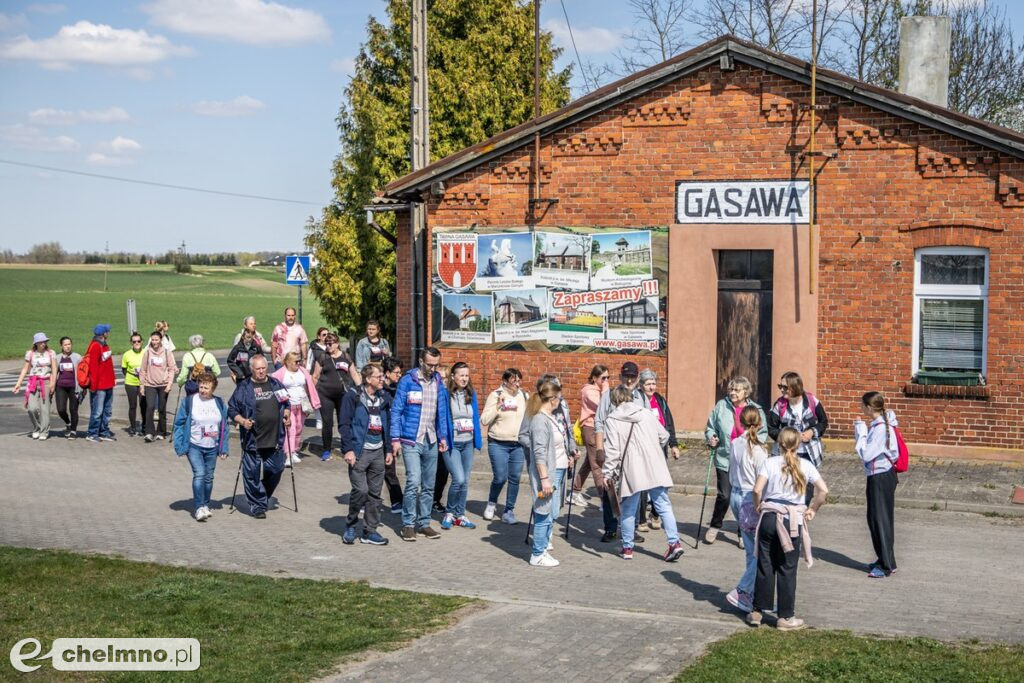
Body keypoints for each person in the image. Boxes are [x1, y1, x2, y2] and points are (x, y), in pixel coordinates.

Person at [749, 426, 828, 630]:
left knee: (764, 563)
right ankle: (785, 616)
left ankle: (757, 611)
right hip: (792, 519)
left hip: (769, 515)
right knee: (787, 566)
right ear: (798, 444)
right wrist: (813, 509)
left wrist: (759, 506)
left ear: (779, 444)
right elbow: (823, 490)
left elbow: (757, 489)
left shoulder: (770, 462)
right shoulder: (806, 465)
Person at [599, 384, 686, 562]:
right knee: (664, 505)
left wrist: (607, 473)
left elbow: (613, 451)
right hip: (655, 464)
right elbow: (664, 435)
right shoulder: (646, 413)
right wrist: (652, 447)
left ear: (614, 401)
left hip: (632, 468)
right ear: (630, 397)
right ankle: (674, 543)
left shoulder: (612, 420)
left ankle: (628, 547)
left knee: (629, 509)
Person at [390, 346, 450, 541]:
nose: (433, 368)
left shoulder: (438, 382)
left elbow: (441, 413)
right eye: (430, 365)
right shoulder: (408, 381)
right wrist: (395, 439)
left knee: (428, 485)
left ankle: (424, 523)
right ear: (421, 362)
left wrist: (443, 438)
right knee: (413, 480)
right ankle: (408, 523)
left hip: (431, 439)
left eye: (436, 365)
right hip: (411, 439)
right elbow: (397, 410)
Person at [704, 376, 768, 545]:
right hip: (725, 458)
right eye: (731, 389)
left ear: (746, 392)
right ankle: (715, 525)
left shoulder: (756, 410)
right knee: (725, 495)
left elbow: (762, 432)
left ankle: (743, 530)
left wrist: (753, 445)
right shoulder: (721, 406)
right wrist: (712, 437)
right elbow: (711, 427)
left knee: (745, 497)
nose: (732, 393)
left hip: (746, 461)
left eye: (736, 390)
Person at [227, 355, 290, 519]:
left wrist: (287, 415)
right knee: (251, 474)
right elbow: (232, 410)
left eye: (263, 368)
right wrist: (242, 421)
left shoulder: (276, 384)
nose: (261, 371)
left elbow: (286, 403)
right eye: (258, 369)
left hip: (274, 438)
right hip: (253, 440)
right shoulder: (244, 387)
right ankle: (257, 506)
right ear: (252, 369)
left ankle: (259, 494)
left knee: (277, 468)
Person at [338, 363, 393, 546]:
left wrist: (389, 449)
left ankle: (370, 531)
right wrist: (348, 449)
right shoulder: (352, 396)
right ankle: (351, 525)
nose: (382, 379)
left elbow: (388, 424)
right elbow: (344, 424)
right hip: (359, 452)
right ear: (368, 379)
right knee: (361, 491)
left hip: (378, 451)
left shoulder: (384, 397)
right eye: (379, 377)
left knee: (375, 494)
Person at [593, 361, 647, 543]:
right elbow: (599, 422)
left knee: (634, 488)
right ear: (620, 376)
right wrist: (599, 448)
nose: (629, 380)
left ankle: (630, 528)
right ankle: (610, 528)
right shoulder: (608, 396)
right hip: (612, 449)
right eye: (626, 377)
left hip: (634, 451)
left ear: (638, 378)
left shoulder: (641, 397)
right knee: (610, 488)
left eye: (632, 377)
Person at [725, 405, 770, 614]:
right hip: (749, 497)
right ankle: (742, 589)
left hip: (735, 493)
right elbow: (762, 481)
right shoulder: (759, 450)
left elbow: (732, 469)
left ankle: (750, 594)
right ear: (759, 423)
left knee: (751, 549)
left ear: (741, 422)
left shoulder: (735, 443)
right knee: (760, 551)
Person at [854, 391, 900, 579]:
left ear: (870, 407)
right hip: (880, 475)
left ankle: (886, 565)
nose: (861, 407)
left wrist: (860, 431)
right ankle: (886, 559)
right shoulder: (881, 424)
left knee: (879, 520)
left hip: (881, 477)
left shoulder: (880, 428)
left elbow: (866, 454)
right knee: (876, 519)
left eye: (862, 405)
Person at [173, 371, 229, 522]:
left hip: (212, 446)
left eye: (206, 388)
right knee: (200, 473)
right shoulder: (189, 401)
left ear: (213, 388)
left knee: (209, 477)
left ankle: (205, 504)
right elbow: (179, 424)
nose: (203, 390)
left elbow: (224, 426)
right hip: (194, 445)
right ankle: (198, 507)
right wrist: (179, 445)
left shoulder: (219, 402)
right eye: (201, 386)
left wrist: (223, 448)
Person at [525, 381, 569, 567]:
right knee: (542, 514)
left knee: (547, 513)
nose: (560, 401)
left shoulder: (547, 418)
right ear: (552, 399)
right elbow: (539, 453)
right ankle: (537, 553)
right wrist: (544, 479)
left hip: (551, 473)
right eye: (558, 397)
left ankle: (542, 550)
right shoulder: (540, 421)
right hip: (544, 476)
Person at [767, 371, 829, 504]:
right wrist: (789, 437)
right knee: (786, 486)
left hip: (808, 453)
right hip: (786, 452)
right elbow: (771, 429)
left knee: (806, 490)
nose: (781, 390)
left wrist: (812, 432)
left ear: (795, 387)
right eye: (780, 386)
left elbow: (823, 422)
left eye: (785, 387)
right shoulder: (780, 405)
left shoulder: (812, 401)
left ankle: (800, 516)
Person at [480, 368, 527, 524]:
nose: (518, 385)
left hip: (518, 445)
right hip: (498, 442)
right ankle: (492, 503)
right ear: (505, 381)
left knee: (515, 478)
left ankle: (509, 511)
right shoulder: (496, 395)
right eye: (514, 381)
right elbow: (485, 420)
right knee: (500, 477)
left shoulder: (523, 396)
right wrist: (497, 407)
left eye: (519, 381)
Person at [637, 368, 680, 530]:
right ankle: (641, 519)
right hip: (641, 448)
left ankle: (655, 514)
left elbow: (669, 423)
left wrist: (674, 444)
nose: (651, 387)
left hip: (659, 447)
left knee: (660, 482)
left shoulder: (659, 400)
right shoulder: (637, 400)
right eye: (648, 384)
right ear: (641, 385)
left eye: (653, 383)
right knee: (642, 484)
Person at [440, 362, 481, 530]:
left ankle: (460, 515)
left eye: (466, 375)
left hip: (468, 442)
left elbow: (475, 417)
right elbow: (442, 418)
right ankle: (449, 512)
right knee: (458, 479)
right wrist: (442, 437)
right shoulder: (445, 394)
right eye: (461, 375)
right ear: (453, 376)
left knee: (466, 481)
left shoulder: (471, 394)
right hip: (453, 443)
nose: (464, 378)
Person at [312, 333, 360, 461]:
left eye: (330, 343)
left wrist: (360, 389)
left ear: (337, 343)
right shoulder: (323, 357)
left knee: (343, 422)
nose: (328, 346)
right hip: (325, 394)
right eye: (326, 343)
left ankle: (346, 448)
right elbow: (315, 376)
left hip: (343, 395)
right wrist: (313, 394)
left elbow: (354, 374)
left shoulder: (345, 356)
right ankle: (326, 450)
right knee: (327, 423)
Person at [271, 351, 320, 465]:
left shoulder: (303, 372)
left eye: (299, 361)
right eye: (296, 361)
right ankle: (288, 454)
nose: (298, 363)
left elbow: (310, 387)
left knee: (298, 429)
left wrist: (313, 403)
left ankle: (295, 450)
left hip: (302, 405)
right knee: (290, 429)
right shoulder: (280, 374)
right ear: (288, 362)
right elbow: (273, 385)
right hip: (288, 406)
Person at [571, 364, 608, 507]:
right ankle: (605, 500)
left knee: (589, 462)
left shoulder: (601, 390)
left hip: (599, 429)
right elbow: (603, 406)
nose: (606, 381)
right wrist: (605, 389)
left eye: (608, 378)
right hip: (591, 428)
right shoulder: (589, 391)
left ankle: (574, 492)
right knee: (597, 464)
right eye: (603, 378)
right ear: (594, 378)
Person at [12, 332, 57, 439]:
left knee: (44, 409)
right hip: (33, 382)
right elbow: (25, 369)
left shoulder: (51, 353)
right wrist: (18, 384)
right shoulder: (30, 353)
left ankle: (44, 431)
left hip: (46, 382)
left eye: (44, 341)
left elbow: (54, 368)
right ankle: (37, 427)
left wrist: (53, 383)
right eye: (41, 342)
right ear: (36, 343)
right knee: (31, 408)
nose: (43, 344)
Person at [138, 330, 177, 442]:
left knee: (161, 408)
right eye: (153, 340)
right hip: (150, 384)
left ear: (160, 341)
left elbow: (171, 369)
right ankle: (149, 432)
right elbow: (143, 370)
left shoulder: (166, 352)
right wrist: (142, 385)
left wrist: (169, 384)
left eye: (156, 340)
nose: (154, 342)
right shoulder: (147, 353)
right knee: (150, 407)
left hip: (163, 384)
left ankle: (161, 432)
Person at [84, 324, 117, 443]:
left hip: (108, 383)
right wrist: (93, 386)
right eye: (108, 331)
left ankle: (104, 432)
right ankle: (92, 433)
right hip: (99, 386)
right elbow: (93, 368)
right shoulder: (95, 346)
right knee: (97, 411)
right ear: (104, 334)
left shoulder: (104, 345)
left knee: (107, 410)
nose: (109, 333)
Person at [381, 357, 404, 512]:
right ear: (387, 373)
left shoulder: (398, 389)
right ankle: (365, 500)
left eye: (400, 372)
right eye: (396, 372)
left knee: (389, 469)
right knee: (373, 470)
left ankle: (397, 501)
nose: (399, 375)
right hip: (377, 434)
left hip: (391, 435)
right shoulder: (379, 390)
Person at [53, 336, 82, 438]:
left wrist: (83, 388)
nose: (68, 346)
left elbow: (82, 373)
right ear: (61, 346)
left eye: (69, 344)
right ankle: (68, 423)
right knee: (61, 409)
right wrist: (52, 386)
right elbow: (53, 373)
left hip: (74, 387)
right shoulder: (57, 358)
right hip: (60, 387)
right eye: (65, 345)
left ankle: (73, 431)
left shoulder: (78, 357)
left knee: (73, 409)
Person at [121, 333, 146, 436]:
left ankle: (144, 426)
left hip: (143, 383)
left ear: (142, 342)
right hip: (130, 382)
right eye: (134, 341)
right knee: (132, 405)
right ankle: (133, 427)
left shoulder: (146, 353)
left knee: (143, 405)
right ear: (131, 343)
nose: (136, 343)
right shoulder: (127, 354)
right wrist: (133, 375)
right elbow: (124, 369)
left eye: (138, 341)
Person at [305, 327, 330, 430]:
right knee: (316, 399)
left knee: (327, 400)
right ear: (318, 336)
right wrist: (308, 376)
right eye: (323, 335)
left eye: (327, 335)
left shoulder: (330, 347)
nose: (326, 337)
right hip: (316, 376)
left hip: (328, 376)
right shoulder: (314, 348)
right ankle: (319, 419)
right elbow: (309, 363)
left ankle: (326, 419)